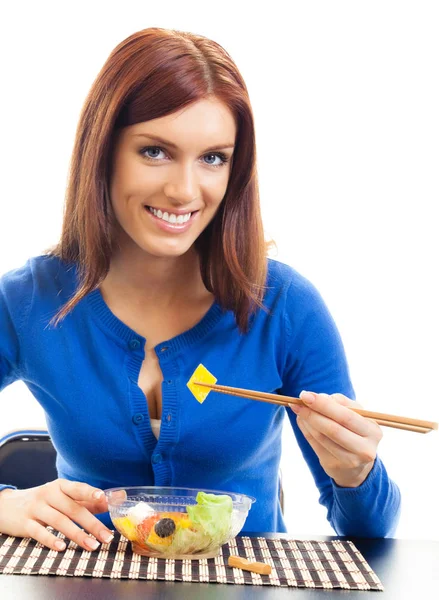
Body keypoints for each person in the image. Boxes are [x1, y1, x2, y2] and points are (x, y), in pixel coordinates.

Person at [0, 27, 400, 553]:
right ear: (103, 151)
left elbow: (371, 534)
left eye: (213, 157)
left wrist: (355, 472)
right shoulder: (28, 301)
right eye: (155, 151)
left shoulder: (284, 306)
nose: (186, 191)